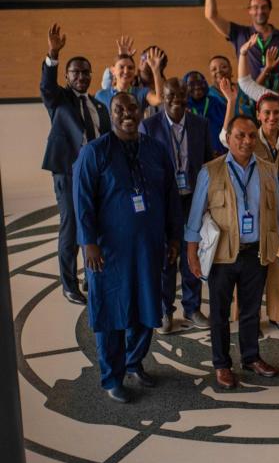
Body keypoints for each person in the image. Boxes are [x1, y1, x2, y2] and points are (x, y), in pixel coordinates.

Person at [73, 92, 181, 403]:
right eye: (119, 109)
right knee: (111, 312)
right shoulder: (95, 152)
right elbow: (82, 202)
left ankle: (134, 363)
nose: (127, 114)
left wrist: (173, 237)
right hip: (109, 253)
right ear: (111, 112)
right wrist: (89, 243)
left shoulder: (156, 149)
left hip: (149, 246)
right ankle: (112, 376)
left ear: (141, 110)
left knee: (146, 307)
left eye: (132, 108)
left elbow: (171, 195)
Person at [185, 115, 279, 389]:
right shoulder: (211, 171)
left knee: (251, 311)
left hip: (255, 253)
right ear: (228, 138)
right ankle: (222, 364)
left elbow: (275, 211)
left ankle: (251, 357)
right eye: (240, 135)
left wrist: (273, 243)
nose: (246, 141)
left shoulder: (267, 169)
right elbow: (195, 216)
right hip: (222, 255)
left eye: (252, 136)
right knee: (219, 312)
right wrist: (192, 252)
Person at [41, 23, 111, 305]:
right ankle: (69, 285)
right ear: (68, 77)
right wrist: (52, 55)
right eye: (75, 72)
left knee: (96, 227)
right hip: (68, 174)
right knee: (71, 228)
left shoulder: (100, 106)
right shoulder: (59, 100)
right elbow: (46, 85)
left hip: (96, 176)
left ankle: (91, 276)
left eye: (85, 72)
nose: (81, 76)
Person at [139, 79, 215, 334]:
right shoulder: (149, 127)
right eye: (171, 96)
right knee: (166, 257)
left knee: (191, 254)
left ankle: (192, 309)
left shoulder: (200, 124)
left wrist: (208, 201)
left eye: (181, 95)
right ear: (163, 97)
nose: (176, 100)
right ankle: (164, 311)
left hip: (192, 199)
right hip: (163, 203)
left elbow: (207, 162)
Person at [251, 94, 279, 330]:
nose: (272, 117)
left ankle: (278, 315)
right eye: (266, 112)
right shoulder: (250, 139)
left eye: (276, 112)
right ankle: (251, 316)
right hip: (256, 212)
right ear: (258, 114)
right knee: (253, 269)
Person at [95, 49, 164, 114]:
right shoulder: (101, 95)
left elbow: (159, 100)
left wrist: (155, 70)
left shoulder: (142, 93)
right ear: (113, 70)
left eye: (130, 68)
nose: (126, 71)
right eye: (121, 67)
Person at [183, 71, 228, 154]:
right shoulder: (183, 107)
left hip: (220, 154)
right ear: (185, 87)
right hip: (194, 157)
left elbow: (228, 127)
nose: (197, 87)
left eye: (200, 82)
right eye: (191, 84)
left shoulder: (216, 103)